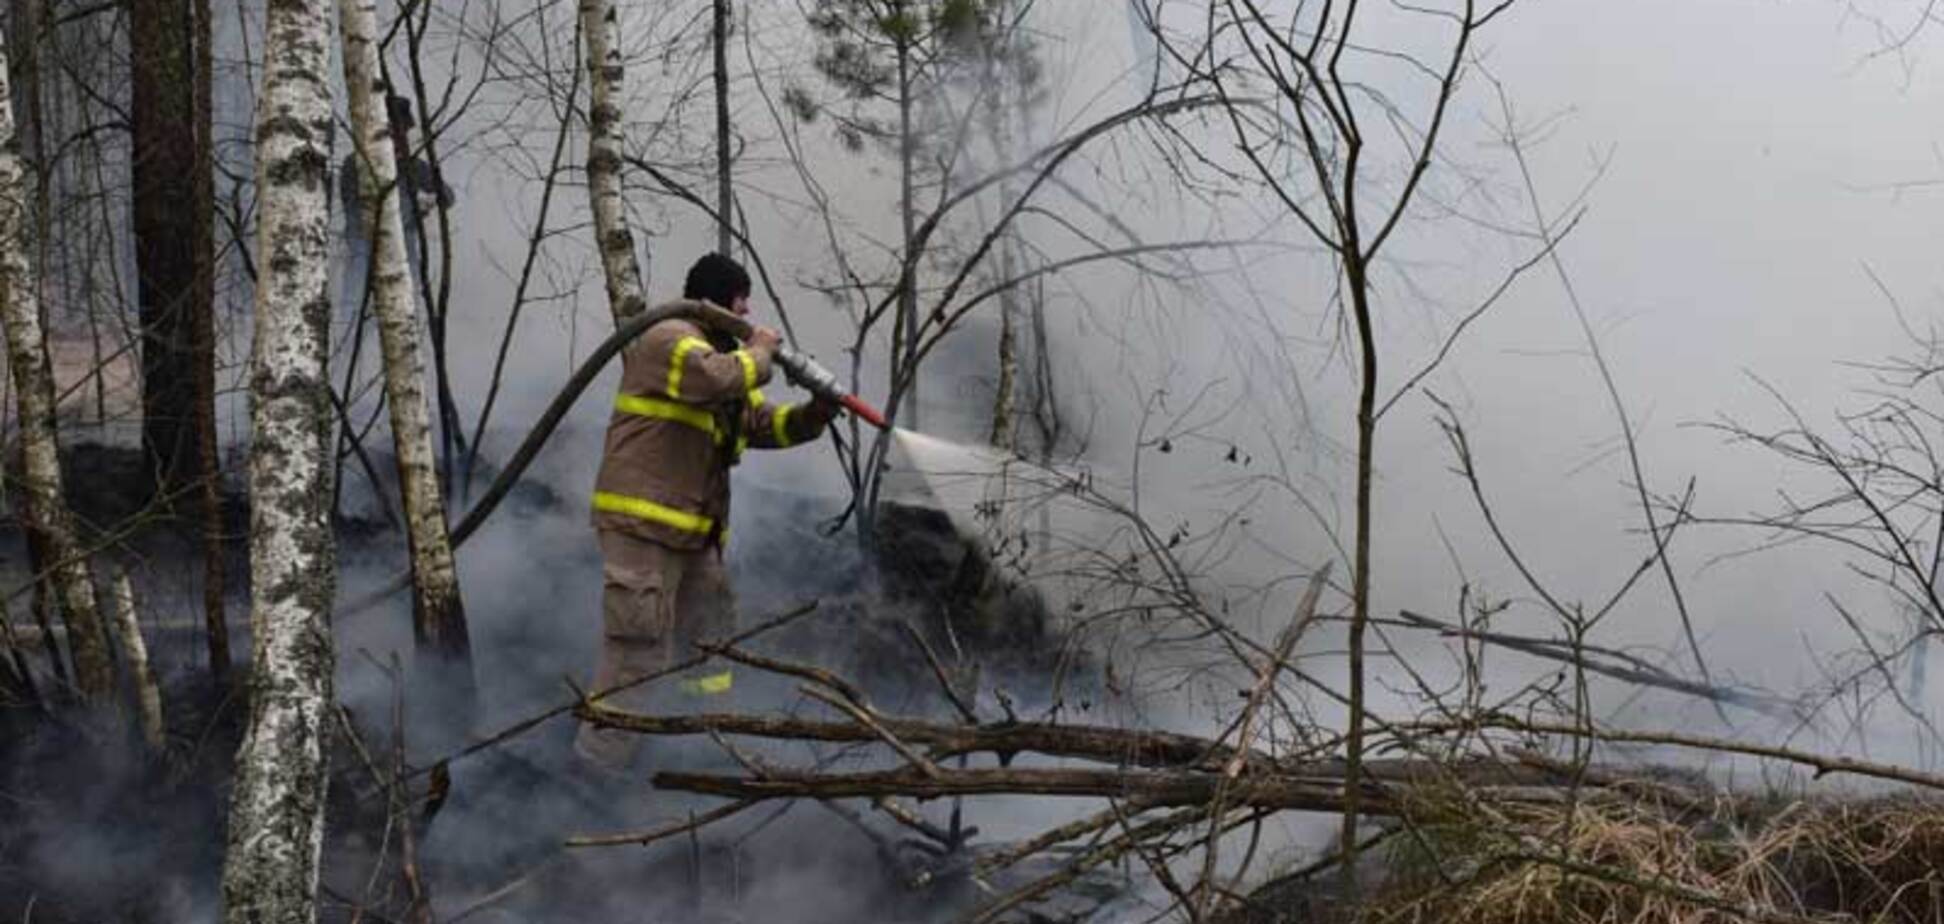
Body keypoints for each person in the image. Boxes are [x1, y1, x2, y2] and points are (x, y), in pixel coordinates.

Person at [574, 254, 839, 773]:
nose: (749, 311)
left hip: (694, 536)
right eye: (742, 300)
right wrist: (761, 351)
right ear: (717, 301)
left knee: (710, 640)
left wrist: (818, 412)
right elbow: (717, 379)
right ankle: (596, 767)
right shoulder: (669, 340)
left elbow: (764, 426)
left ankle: (698, 743)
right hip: (643, 527)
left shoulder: (719, 362)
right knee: (638, 651)